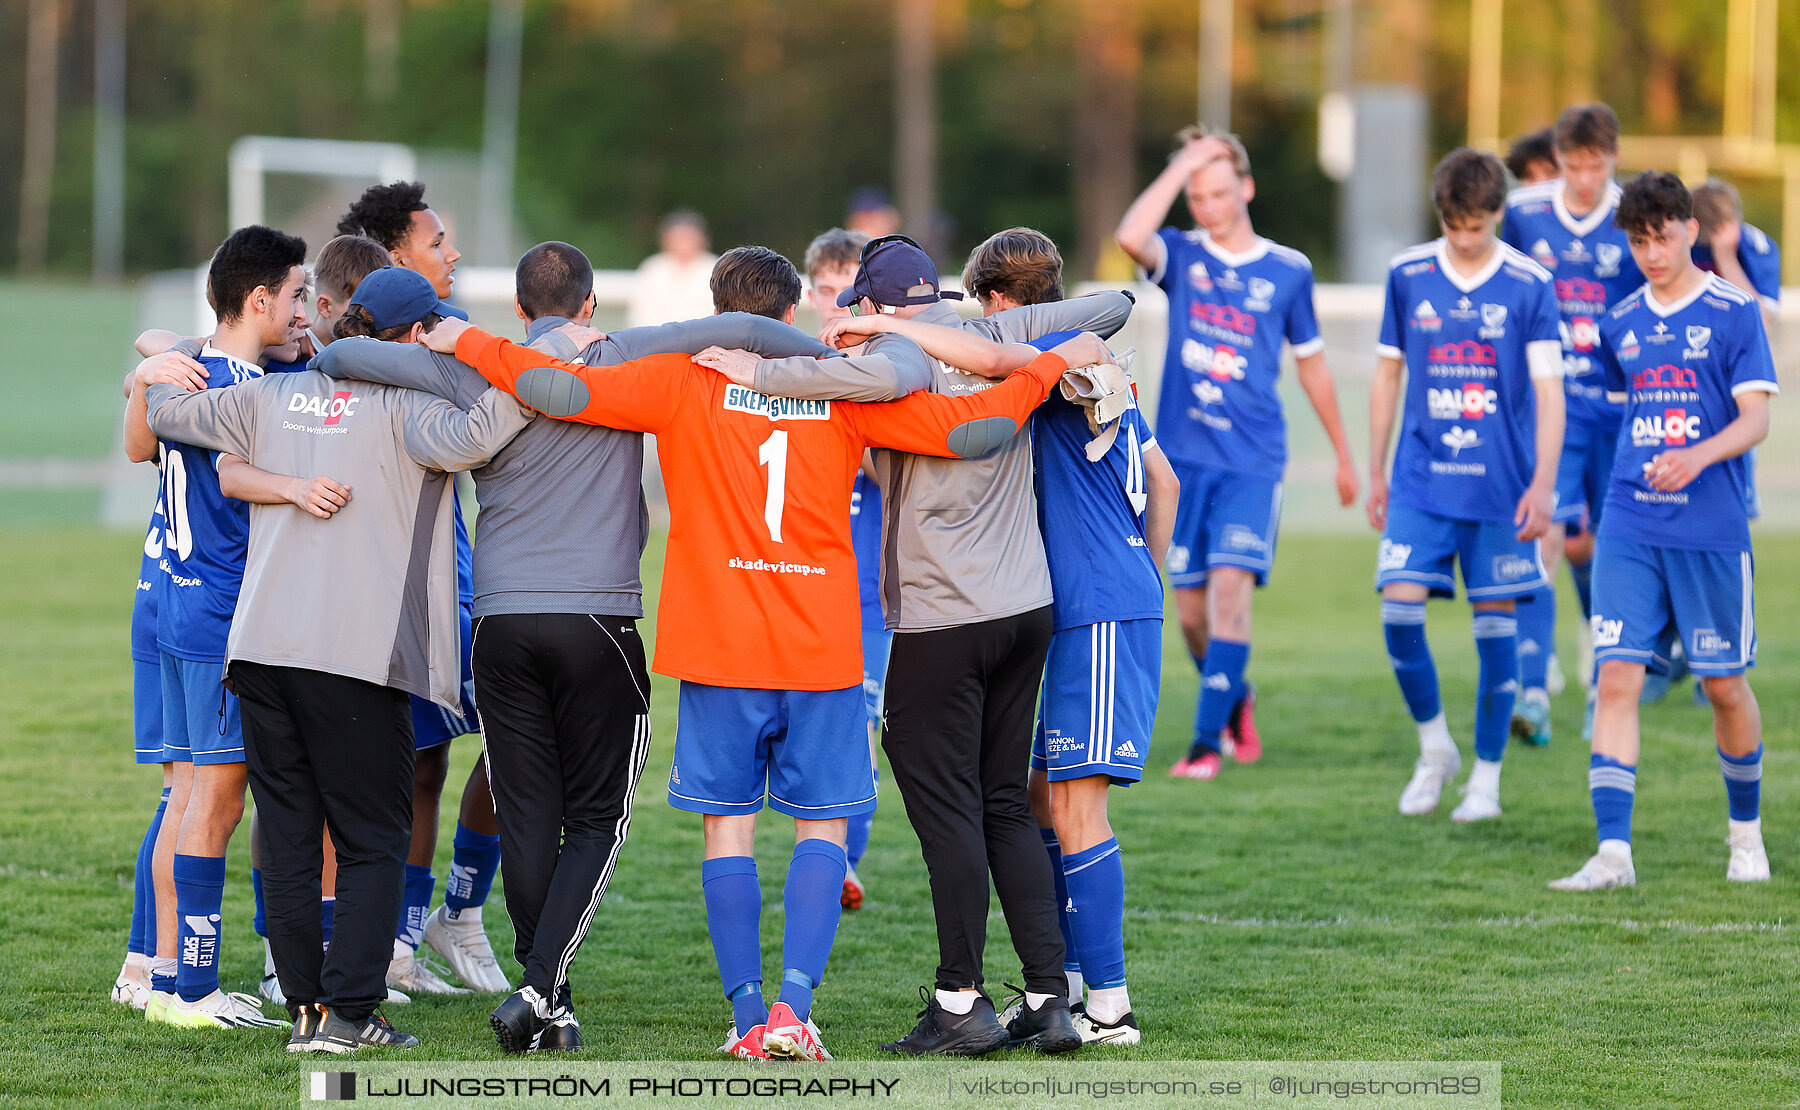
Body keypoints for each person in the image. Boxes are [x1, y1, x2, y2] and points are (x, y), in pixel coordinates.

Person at [424, 243, 1109, 1063]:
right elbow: (977, 431)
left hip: (718, 643)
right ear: (790, 316)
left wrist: (465, 341)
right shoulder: (838, 384)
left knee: (729, 833)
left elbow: (555, 389)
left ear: (721, 310)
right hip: (820, 642)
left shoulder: (685, 378)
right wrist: (1043, 367)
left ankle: (746, 1016)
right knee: (822, 828)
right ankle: (795, 1009)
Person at [317, 240, 839, 1053]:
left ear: (519, 309)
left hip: (498, 622)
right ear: (591, 305)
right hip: (598, 621)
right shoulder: (621, 351)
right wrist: (839, 355)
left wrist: (413, 335)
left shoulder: (471, 366)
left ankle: (548, 1001)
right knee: (597, 819)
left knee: (529, 816)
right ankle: (540, 987)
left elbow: (345, 354)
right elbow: (745, 323)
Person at [753, 234, 1134, 1056]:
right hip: (1025, 609)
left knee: (946, 814)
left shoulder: (896, 354)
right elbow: (1115, 305)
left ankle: (960, 1002)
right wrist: (940, 329)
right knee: (1002, 803)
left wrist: (730, 359)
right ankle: (1046, 996)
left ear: (879, 306)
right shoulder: (996, 337)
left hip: (942, 617)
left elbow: (805, 377)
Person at [141, 264, 534, 1052]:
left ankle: (306, 1012)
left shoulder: (272, 392)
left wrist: (157, 356)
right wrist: (488, 350)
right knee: (372, 838)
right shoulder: (411, 411)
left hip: (257, 651)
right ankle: (352, 1014)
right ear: (418, 336)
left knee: (287, 835)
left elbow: (164, 409)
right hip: (355, 657)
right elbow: (501, 416)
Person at [1549, 172, 1777, 891]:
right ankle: (1612, 853)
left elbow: (1756, 420)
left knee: (1724, 688)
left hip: (1710, 528)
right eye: (1639, 240)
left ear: (1689, 229)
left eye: (1663, 236)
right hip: (1631, 520)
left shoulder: (1735, 313)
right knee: (1615, 675)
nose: (1652, 252)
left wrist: (1698, 455)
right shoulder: (1619, 324)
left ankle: (1746, 837)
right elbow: (1617, 417)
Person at [1116, 125, 1359, 780]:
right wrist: (1182, 164)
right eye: (1197, 194)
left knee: (1229, 594)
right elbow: (1131, 237)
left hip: (1253, 462)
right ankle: (1235, 696)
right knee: (1190, 613)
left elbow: (1311, 367)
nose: (1207, 205)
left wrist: (1343, 454)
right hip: (1184, 465)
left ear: (1246, 189)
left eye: (1219, 191)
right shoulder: (1183, 257)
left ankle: (1202, 746)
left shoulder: (1289, 271)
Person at [120, 225, 314, 1030]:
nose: (305, 311)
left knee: (186, 794)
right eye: (297, 296)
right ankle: (193, 992)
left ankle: (165, 979)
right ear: (260, 299)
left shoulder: (186, 370)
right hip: (218, 616)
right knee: (216, 802)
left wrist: (145, 369)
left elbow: (139, 449)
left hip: (165, 597)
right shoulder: (246, 390)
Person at [336, 181, 504, 996]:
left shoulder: (445, 335)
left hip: (456, 580)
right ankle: (361, 939)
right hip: (390, 591)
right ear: (398, 256)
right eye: (439, 243)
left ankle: (439, 920)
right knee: (388, 769)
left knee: (460, 756)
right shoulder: (359, 344)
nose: (455, 254)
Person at [1369, 148, 1565, 822]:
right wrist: (1375, 469)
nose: (1464, 238)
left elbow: (1549, 392)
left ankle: (1486, 777)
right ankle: (1435, 750)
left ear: (1498, 216)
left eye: (1476, 226)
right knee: (1397, 614)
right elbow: (1388, 374)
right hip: (1421, 480)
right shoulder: (1408, 273)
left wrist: (1543, 486)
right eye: (1454, 225)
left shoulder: (1531, 284)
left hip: (1499, 492)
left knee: (1494, 634)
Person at [1499, 103, 1643, 741]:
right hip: (1552, 407)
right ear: (1558, 159)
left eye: (1597, 164)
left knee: (1609, 548)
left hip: (1620, 410)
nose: (1584, 177)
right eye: (1574, 164)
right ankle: (1534, 690)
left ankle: (1599, 679)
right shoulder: (1526, 212)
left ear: (1614, 157)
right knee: (1542, 536)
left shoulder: (1634, 213)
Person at [801, 227, 883, 911]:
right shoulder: (785, 369)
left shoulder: (890, 373)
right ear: (808, 293)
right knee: (807, 733)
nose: (838, 305)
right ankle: (826, 848)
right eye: (829, 290)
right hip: (800, 585)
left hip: (876, 594)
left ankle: (845, 860)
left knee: (861, 722)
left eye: (851, 293)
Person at [627, 209, 718, 327]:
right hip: (657, 339)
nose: (683, 243)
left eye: (688, 237)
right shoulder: (654, 268)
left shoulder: (714, 267)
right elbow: (640, 313)